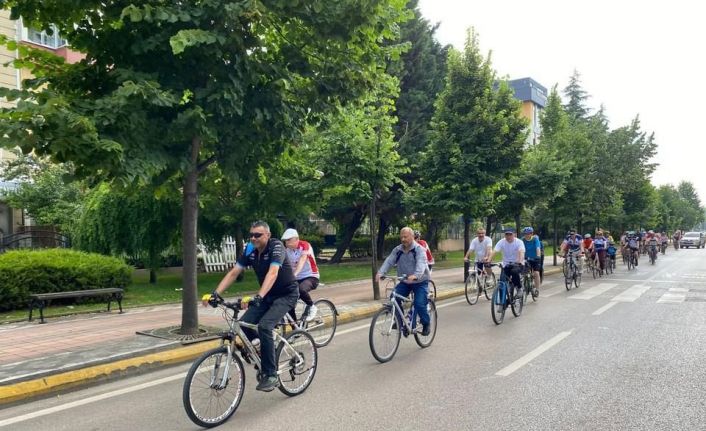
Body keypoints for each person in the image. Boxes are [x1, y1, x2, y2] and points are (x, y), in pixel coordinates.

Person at [206, 221, 299, 392]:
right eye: (251, 235)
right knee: (243, 326)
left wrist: (259, 296)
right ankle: (264, 351)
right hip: (267, 295)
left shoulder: (276, 246)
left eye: (258, 235)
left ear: (268, 235)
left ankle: (271, 374)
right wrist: (216, 294)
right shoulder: (250, 249)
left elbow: (273, 273)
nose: (254, 238)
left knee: (265, 326)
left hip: (286, 294)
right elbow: (234, 272)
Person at [376, 227, 431, 336]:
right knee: (393, 297)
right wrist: (381, 272)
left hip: (420, 282)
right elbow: (389, 261)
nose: (403, 239)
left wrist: (416, 275)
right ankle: (399, 321)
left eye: (405, 237)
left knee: (419, 304)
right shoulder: (398, 250)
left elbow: (421, 264)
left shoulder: (419, 250)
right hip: (405, 282)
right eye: (401, 237)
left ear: (412, 237)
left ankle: (426, 323)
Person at [281, 228, 320, 321]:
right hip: (296, 278)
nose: (286, 243)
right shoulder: (286, 250)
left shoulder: (305, 245)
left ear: (296, 239)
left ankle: (312, 306)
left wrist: (294, 274)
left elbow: (302, 260)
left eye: (289, 240)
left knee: (301, 289)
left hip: (311, 276)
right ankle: (296, 329)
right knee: (289, 301)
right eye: (285, 241)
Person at [488, 228, 525, 293]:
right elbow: (494, 251)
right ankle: (503, 301)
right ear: (505, 235)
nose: (508, 236)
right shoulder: (501, 242)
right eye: (507, 234)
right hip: (506, 265)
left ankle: (519, 288)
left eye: (510, 234)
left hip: (517, 264)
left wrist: (519, 261)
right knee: (502, 281)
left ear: (514, 235)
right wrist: (488, 260)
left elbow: (521, 252)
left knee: (514, 272)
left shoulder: (519, 242)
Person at [520, 227, 541, 294]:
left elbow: (538, 248)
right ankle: (524, 285)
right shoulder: (522, 240)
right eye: (525, 234)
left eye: (529, 233)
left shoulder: (535, 239)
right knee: (523, 273)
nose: (527, 235)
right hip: (526, 259)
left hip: (535, 258)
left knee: (536, 273)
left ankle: (537, 289)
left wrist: (538, 256)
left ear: (531, 234)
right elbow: (520, 249)